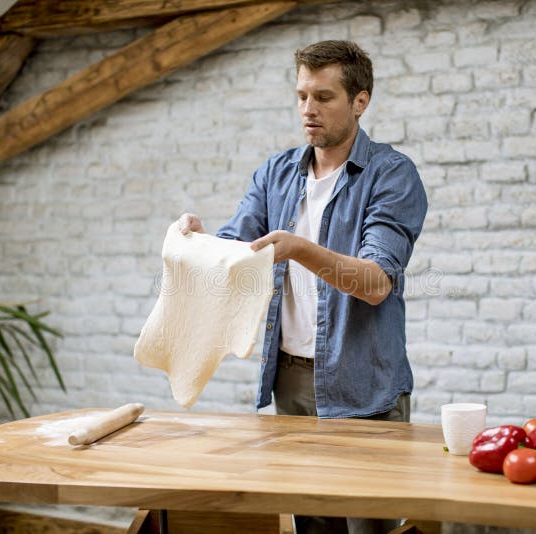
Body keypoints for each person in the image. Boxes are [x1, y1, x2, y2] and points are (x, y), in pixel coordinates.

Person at [177, 40, 427, 534]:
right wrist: (198, 239)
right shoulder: (275, 172)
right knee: (311, 526)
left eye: (324, 97)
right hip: (291, 381)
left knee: (367, 528)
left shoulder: (392, 175)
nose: (308, 110)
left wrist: (297, 248)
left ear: (360, 101)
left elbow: (375, 283)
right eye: (301, 95)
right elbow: (236, 249)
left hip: (365, 388)